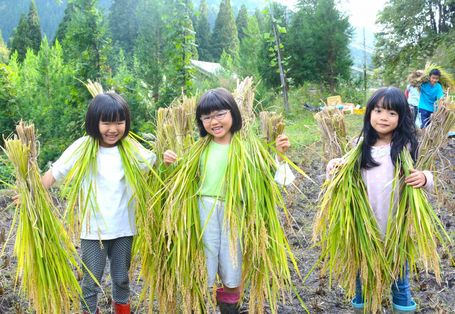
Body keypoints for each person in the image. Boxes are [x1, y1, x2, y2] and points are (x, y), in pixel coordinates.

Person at [163, 87, 295, 313]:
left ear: (233, 114)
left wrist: (280, 154)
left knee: (232, 263)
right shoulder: (198, 150)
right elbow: (180, 177)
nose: (214, 121)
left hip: (235, 210)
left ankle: (229, 307)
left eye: (220, 114)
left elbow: (275, 178)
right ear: (200, 122)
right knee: (204, 260)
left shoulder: (247, 148)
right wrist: (169, 161)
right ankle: (202, 303)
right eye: (206, 117)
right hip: (202, 210)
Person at [40, 93, 156, 314]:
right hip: (94, 232)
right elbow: (55, 172)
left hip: (124, 229)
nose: (113, 129)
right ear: (95, 122)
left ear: (126, 123)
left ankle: (121, 309)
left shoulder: (130, 148)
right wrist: (31, 193)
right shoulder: (83, 147)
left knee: (122, 279)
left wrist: (167, 158)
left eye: (119, 123)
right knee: (91, 281)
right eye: (106, 123)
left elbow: (155, 163)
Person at [327, 87, 433, 312]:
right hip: (364, 229)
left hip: (396, 229)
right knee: (362, 281)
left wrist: (424, 178)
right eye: (378, 110)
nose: (384, 117)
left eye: (392, 113)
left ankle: (401, 307)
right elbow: (341, 175)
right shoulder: (360, 147)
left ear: (401, 117)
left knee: (400, 283)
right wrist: (333, 166)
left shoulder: (406, 147)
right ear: (369, 114)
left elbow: (426, 176)